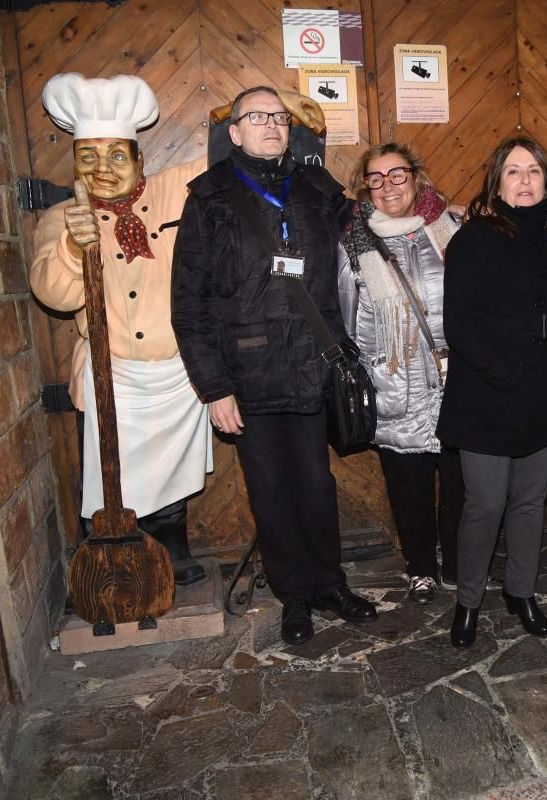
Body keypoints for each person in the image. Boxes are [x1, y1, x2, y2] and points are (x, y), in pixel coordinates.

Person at [171, 85, 377, 646]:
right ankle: (294, 597)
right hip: (248, 374)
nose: (270, 125)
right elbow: (188, 305)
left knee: (316, 484)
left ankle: (329, 584)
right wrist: (213, 388)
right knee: (271, 490)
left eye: (279, 118)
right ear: (233, 132)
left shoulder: (314, 186)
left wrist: (431, 208)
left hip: (314, 365)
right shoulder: (209, 197)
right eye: (256, 117)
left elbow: (368, 226)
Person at [31, 73, 212, 586]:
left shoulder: (175, 190)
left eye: (116, 156)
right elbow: (52, 291)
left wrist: (265, 112)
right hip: (111, 373)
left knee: (172, 470)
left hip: (176, 372)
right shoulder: (60, 216)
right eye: (88, 157)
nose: (103, 169)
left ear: (138, 159)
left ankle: (172, 545)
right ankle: (107, 553)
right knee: (106, 468)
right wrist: (71, 245)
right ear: (74, 164)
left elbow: (228, 156)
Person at [438, 136, 547, 648]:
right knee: (485, 505)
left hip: (543, 393)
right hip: (488, 396)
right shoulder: (478, 237)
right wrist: (508, 376)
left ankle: (521, 592)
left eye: (533, 171)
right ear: (497, 183)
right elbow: (461, 325)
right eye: (513, 172)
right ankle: (467, 601)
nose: (525, 181)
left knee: (531, 503)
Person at [337, 143, 463, 604]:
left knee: (459, 482)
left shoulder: (453, 227)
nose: (388, 185)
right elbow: (346, 317)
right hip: (395, 380)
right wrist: (370, 372)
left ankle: (457, 563)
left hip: (457, 380)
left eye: (398, 174)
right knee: (408, 487)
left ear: (417, 177)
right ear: (364, 187)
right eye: (376, 178)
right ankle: (421, 569)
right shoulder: (354, 244)